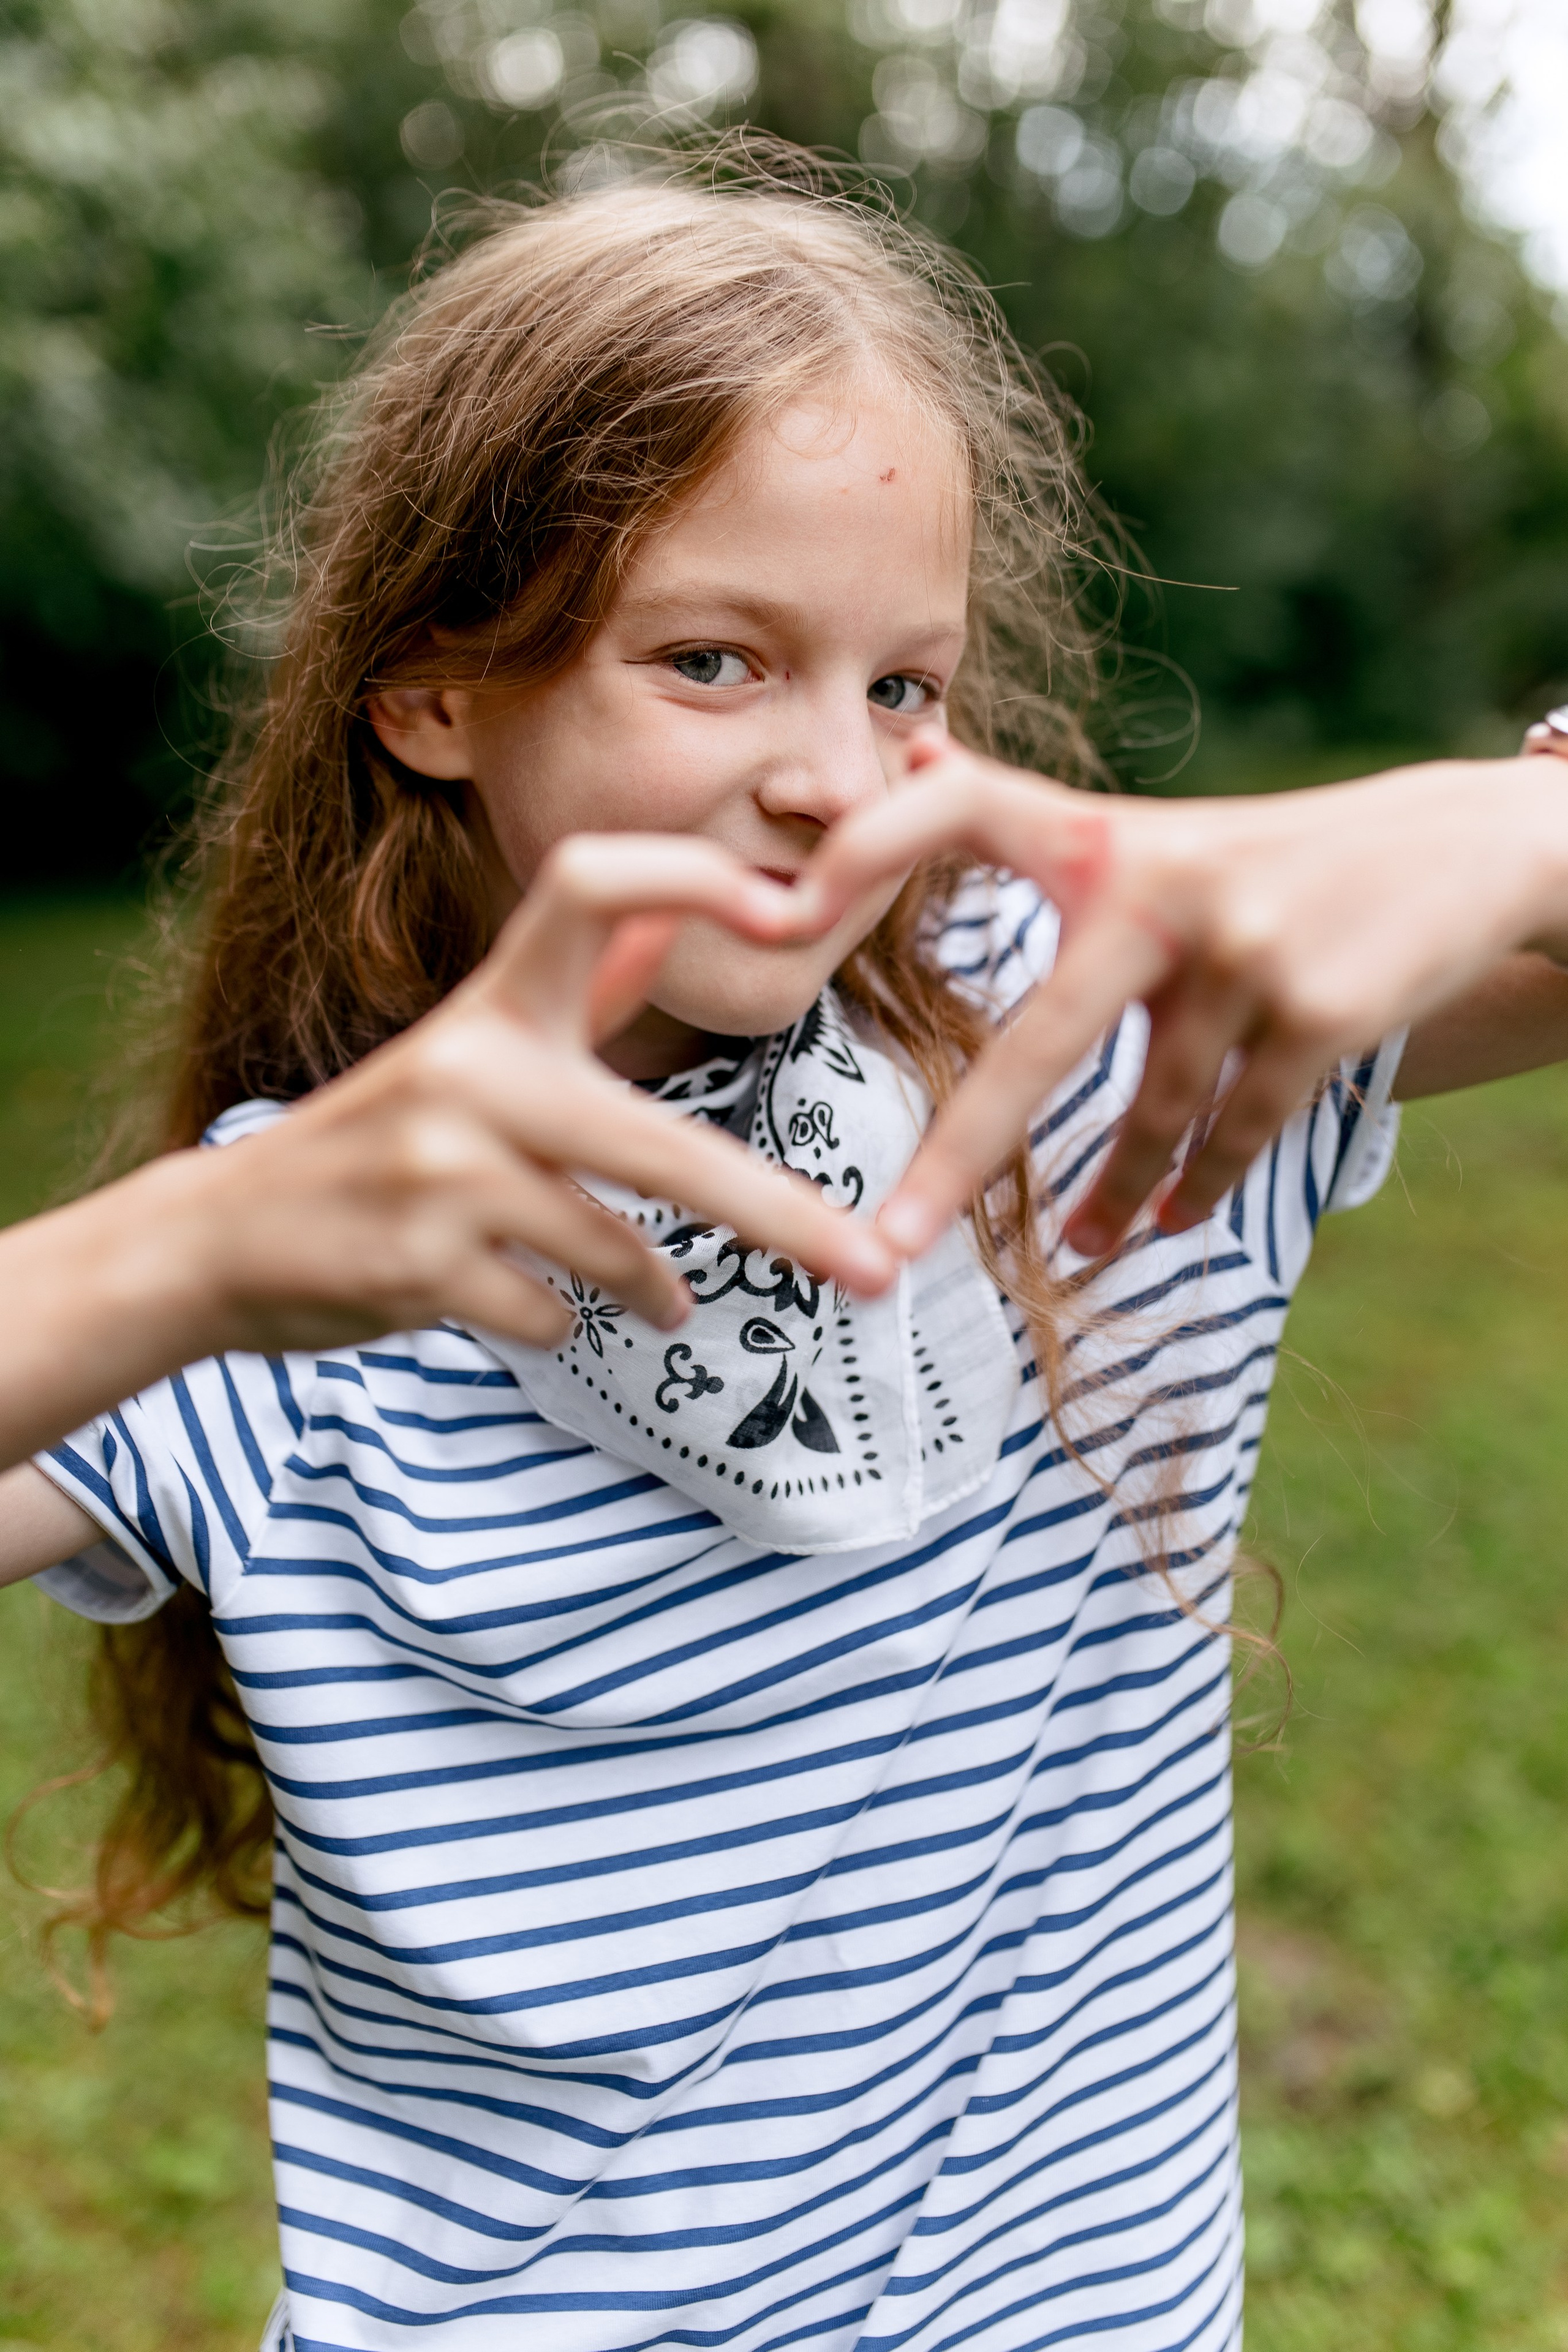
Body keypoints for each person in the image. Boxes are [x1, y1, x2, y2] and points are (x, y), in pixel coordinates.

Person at [2, 160, 1566, 2352]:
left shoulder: (1091, 1059)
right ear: (434, 689)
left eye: (905, 685)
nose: (835, 780)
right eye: (712, 662)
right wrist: (188, 1249)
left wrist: (1517, 820)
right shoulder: (306, 1258)